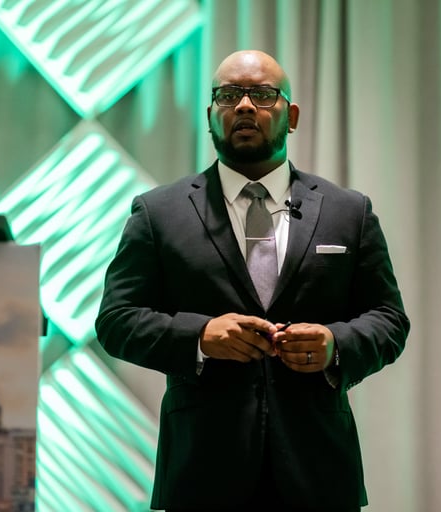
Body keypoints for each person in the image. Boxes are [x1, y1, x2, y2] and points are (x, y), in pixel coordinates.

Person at [95, 50, 409, 511]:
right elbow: (116, 320)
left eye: (262, 94)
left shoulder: (349, 212)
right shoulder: (157, 213)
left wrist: (334, 345)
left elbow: (388, 319)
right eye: (228, 95)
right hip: (201, 471)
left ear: (292, 115)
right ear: (210, 116)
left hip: (319, 470)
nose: (244, 106)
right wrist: (200, 336)